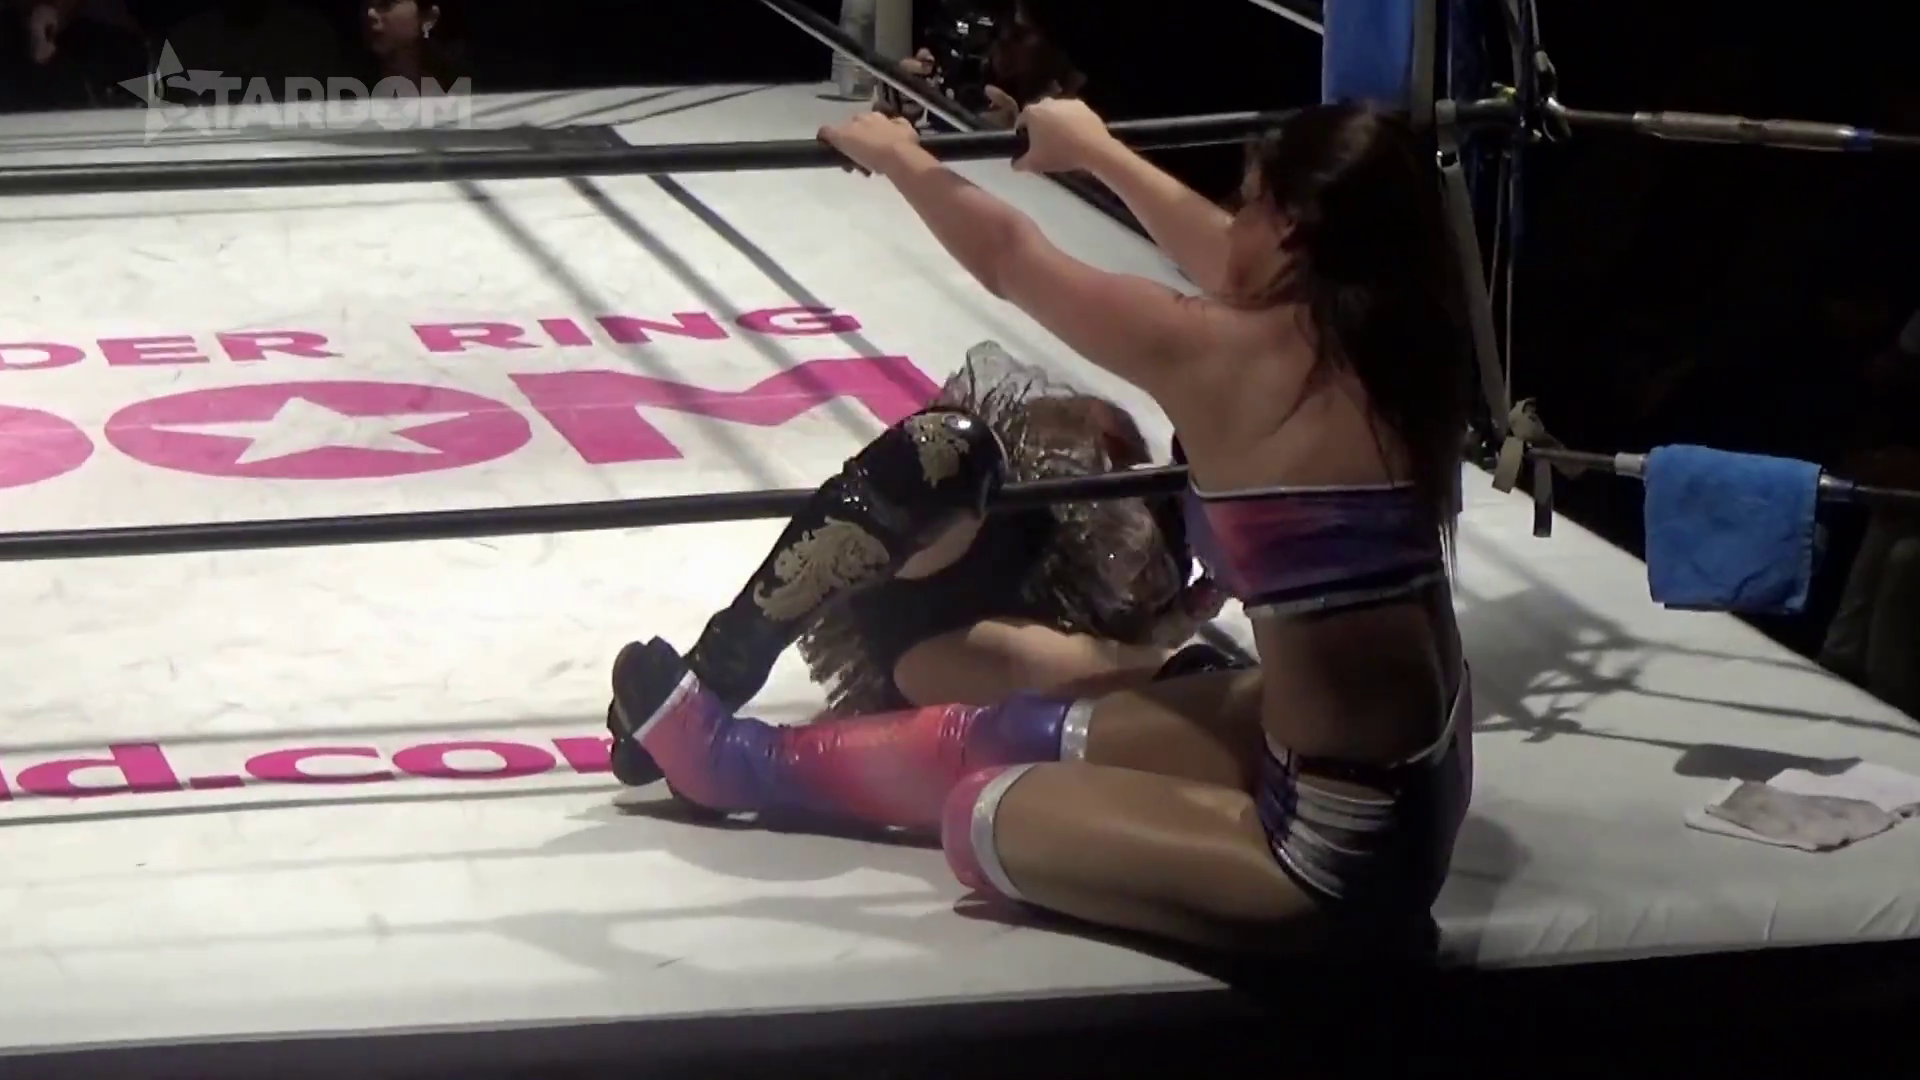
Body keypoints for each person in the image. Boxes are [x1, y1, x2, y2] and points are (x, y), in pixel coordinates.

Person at [609, 98, 1477, 954]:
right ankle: (735, 760)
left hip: (1334, 856)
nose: (1228, 224)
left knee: (982, 810)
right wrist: (1097, 150)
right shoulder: (1406, 346)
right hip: (1420, 775)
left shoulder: (1222, 359)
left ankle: (733, 764)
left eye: (1248, 203)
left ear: (1292, 231)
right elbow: (1226, 253)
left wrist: (901, 158)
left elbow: (1009, 255)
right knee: (1020, 727)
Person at [606, 342, 1239, 788]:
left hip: (1046, 645)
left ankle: (724, 753)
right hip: (1002, 534)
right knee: (948, 454)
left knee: (1125, 679)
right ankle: (723, 662)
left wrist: (1177, 627)